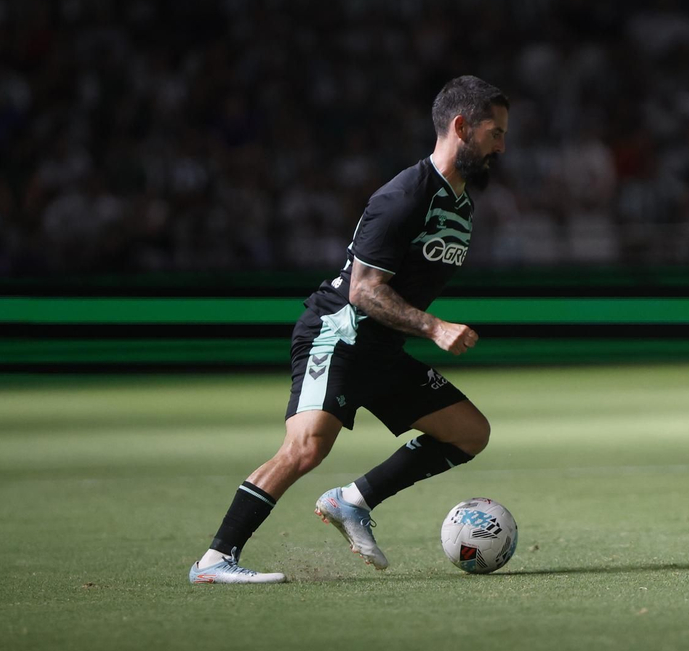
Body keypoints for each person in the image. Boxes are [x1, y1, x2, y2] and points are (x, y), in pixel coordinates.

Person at [189, 76, 509, 583]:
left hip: (380, 348)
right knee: (306, 448)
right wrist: (434, 327)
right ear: (461, 127)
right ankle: (214, 561)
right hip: (337, 334)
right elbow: (363, 290)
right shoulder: (404, 195)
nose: (502, 147)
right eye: (495, 133)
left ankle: (353, 500)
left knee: (470, 433)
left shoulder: (460, 203)